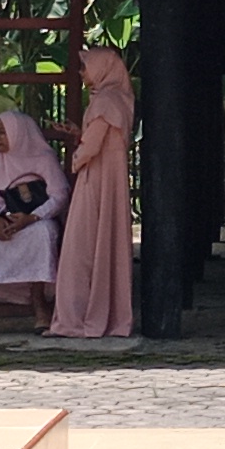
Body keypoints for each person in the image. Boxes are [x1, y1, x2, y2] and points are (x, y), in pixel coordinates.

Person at [48, 47, 137, 337]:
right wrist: (79, 134)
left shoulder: (106, 102)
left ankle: (77, 318)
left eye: (86, 67)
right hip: (109, 178)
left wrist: (77, 158)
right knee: (104, 243)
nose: (82, 73)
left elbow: (93, 147)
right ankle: (100, 314)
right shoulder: (118, 99)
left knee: (81, 249)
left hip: (96, 178)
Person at [0, 107, 68, 330]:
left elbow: (59, 196)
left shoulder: (44, 159)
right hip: (2, 220)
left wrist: (32, 217)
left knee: (43, 233)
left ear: (18, 133)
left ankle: (38, 301)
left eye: (3, 132)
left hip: (35, 220)